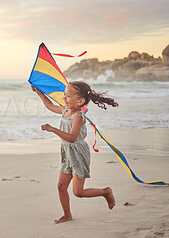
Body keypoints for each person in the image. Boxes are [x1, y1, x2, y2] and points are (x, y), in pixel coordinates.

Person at [31, 81, 117, 223]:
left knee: (78, 192)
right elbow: (49, 105)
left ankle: (105, 192)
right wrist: (39, 92)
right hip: (67, 153)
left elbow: (72, 138)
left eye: (68, 96)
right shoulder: (66, 110)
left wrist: (52, 129)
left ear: (80, 101)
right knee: (61, 186)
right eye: (64, 95)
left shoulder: (78, 116)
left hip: (78, 153)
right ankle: (67, 214)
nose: (64, 98)